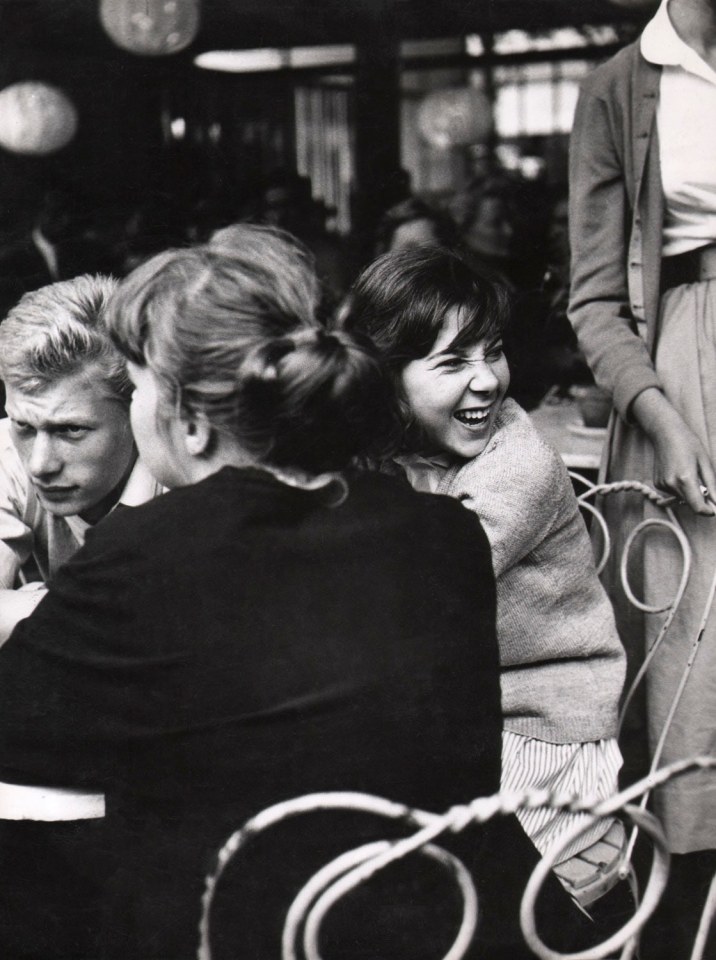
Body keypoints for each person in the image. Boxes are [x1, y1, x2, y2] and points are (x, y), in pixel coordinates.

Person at [0, 227, 584, 960]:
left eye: (140, 385)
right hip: (461, 922)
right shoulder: (444, 531)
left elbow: (21, 738)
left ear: (186, 414)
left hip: (254, 930)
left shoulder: (147, 555)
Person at [342, 247, 627, 903]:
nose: (487, 380)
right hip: (459, 716)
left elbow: (412, 595)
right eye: (451, 363)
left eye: (491, 352)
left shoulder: (516, 466)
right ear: (385, 381)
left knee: (459, 895)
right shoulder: (396, 453)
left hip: (542, 732)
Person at [569, 1, 716, 952]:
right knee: (696, 670)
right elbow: (594, 299)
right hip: (691, 376)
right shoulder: (622, 86)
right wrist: (660, 417)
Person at [0, 274, 163, 642]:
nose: (40, 464)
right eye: (24, 425)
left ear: (135, 412)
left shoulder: (189, 474)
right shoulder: (2, 452)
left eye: (70, 430)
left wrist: (31, 609)